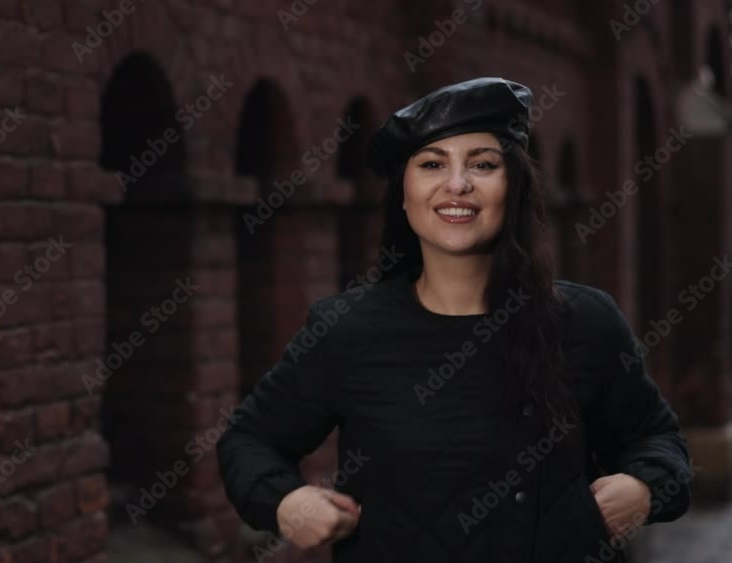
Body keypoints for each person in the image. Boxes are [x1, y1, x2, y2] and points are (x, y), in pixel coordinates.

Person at [216, 77, 692, 562]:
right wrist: (285, 502)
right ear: (404, 194)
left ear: (515, 188)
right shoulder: (347, 329)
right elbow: (248, 440)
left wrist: (645, 487)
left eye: (483, 164)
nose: (458, 183)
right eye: (431, 164)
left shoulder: (586, 322)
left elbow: (658, 438)